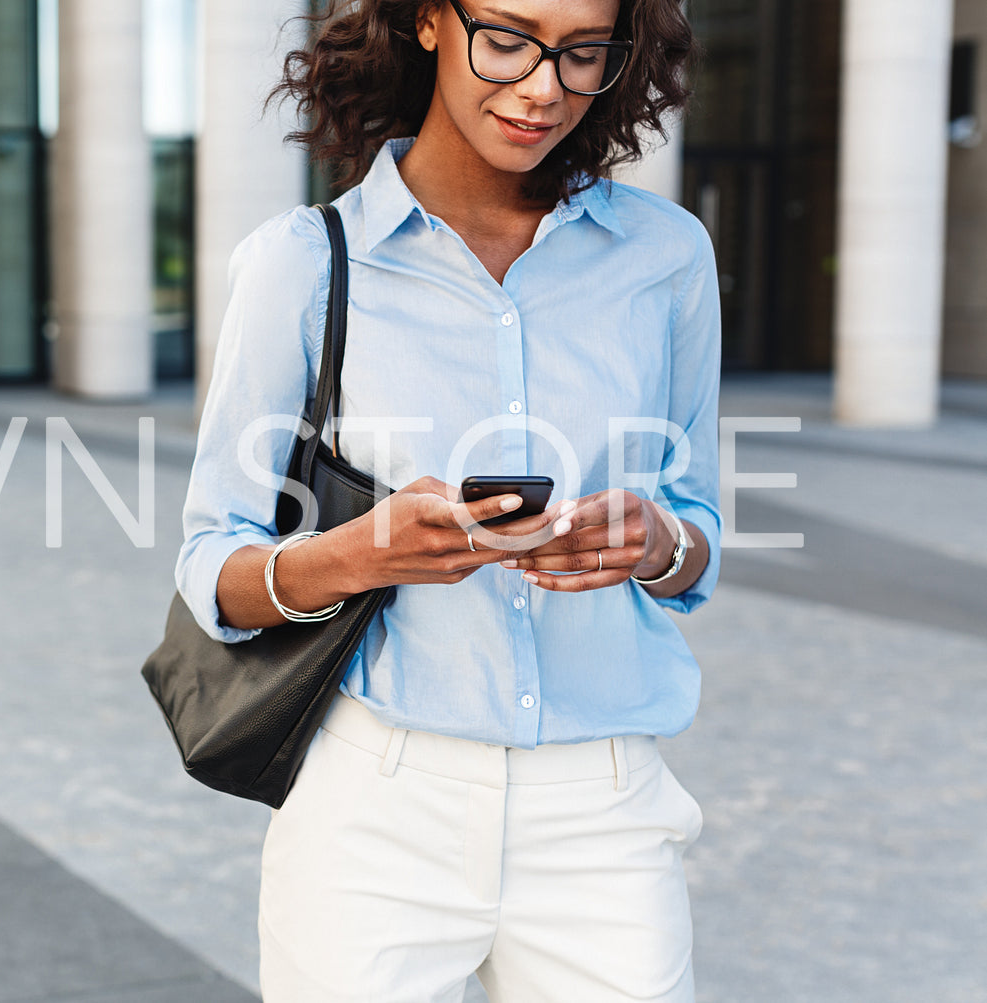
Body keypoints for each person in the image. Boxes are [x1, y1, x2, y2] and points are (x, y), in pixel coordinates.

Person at [174, 0, 720, 999]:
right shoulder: (304, 262)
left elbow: (697, 535)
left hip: (600, 809)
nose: (543, 86)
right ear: (427, 19)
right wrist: (361, 552)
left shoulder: (665, 257)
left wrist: (655, 541)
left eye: (582, 53)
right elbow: (214, 567)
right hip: (373, 806)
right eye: (505, 38)